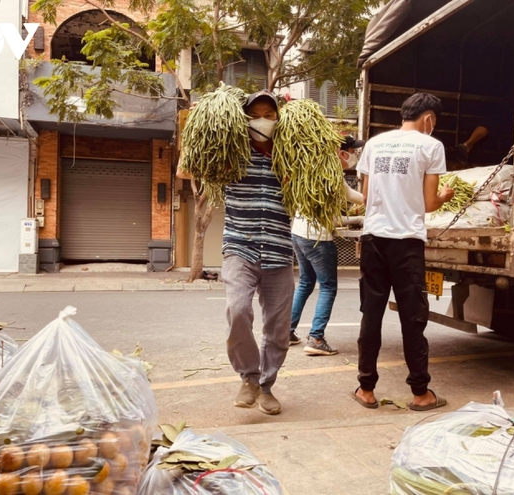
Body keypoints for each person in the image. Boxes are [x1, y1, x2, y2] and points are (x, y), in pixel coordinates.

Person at [177, 90, 293, 416]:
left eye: (270, 115)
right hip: (240, 247)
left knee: (279, 328)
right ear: (244, 120)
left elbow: (327, 190)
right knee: (238, 309)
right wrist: (196, 128)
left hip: (280, 251)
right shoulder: (231, 156)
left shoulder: (289, 159)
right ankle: (249, 377)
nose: (263, 121)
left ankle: (267, 386)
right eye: (255, 115)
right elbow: (184, 171)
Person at [353, 92, 455, 411]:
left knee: (372, 313)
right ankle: (420, 393)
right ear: (428, 119)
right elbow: (428, 203)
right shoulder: (431, 146)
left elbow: (367, 195)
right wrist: (446, 195)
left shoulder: (374, 144)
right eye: (434, 122)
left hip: (373, 239)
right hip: (406, 243)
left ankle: (366, 389)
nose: (433, 127)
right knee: (412, 318)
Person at [289, 137, 365, 355]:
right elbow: (350, 199)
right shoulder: (330, 174)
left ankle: (286, 331)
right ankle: (316, 339)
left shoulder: (310, 169)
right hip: (317, 239)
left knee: (305, 282)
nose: (354, 155)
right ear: (341, 153)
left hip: (299, 233)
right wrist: (378, 201)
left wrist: (354, 219)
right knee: (328, 286)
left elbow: (332, 214)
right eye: (352, 151)